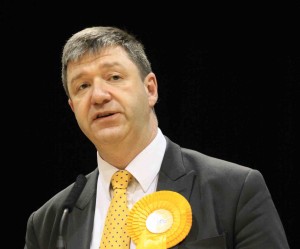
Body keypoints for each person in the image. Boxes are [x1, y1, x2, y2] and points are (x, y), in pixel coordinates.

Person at [24, 26, 290, 249]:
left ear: (150, 89)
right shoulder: (48, 222)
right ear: (73, 108)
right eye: (82, 86)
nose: (98, 96)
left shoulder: (235, 190)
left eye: (114, 77)